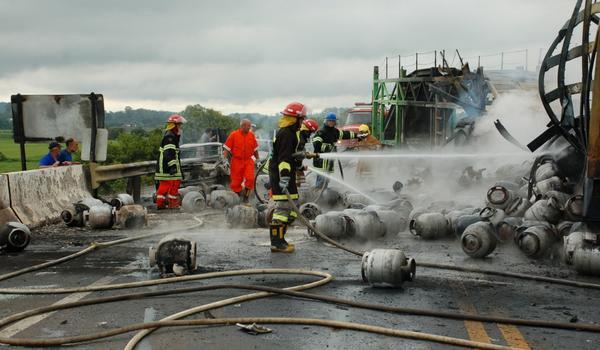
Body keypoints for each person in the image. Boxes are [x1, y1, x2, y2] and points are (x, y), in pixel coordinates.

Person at [269, 102, 307, 253]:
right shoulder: (286, 133)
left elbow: (288, 156)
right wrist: (284, 178)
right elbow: (283, 159)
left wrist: (297, 162)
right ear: (295, 119)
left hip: (286, 175)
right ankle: (276, 243)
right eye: (301, 119)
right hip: (281, 176)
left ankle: (281, 240)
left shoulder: (290, 132)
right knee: (283, 208)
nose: (303, 122)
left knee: (292, 208)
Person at [312, 112, 367, 187]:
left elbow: (345, 134)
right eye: (330, 121)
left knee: (326, 181)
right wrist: (329, 147)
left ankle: (323, 193)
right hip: (321, 162)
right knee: (321, 181)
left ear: (335, 122)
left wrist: (357, 135)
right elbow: (316, 145)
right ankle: (318, 194)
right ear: (326, 121)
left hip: (329, 162)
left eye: (333, 121)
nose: (331, 122)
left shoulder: (334, 131)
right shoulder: (321, 132)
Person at [154, 114, 186, 209]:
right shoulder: (170, 137)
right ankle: (165, 205)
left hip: (168, 168)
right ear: (174, 125)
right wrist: (172, 167)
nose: (180, 127)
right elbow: (169, 153)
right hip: (167, 169)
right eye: (179, 125)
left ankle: (168, 205)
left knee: (172, 186)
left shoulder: (172, 136)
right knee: (167, 186)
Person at [223, 119, 259, 203]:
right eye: (248, 126)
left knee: (250, 179)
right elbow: (226, 149)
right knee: (236, 182)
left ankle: (246, 198)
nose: (249, 128)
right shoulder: (233, 135)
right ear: (242, 126)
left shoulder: (251, 135)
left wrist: (258, 159)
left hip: (248, 161)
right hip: (236, 161)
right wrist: (224, 159)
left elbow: (255, 149)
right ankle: (237, 197)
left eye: (250, 126)